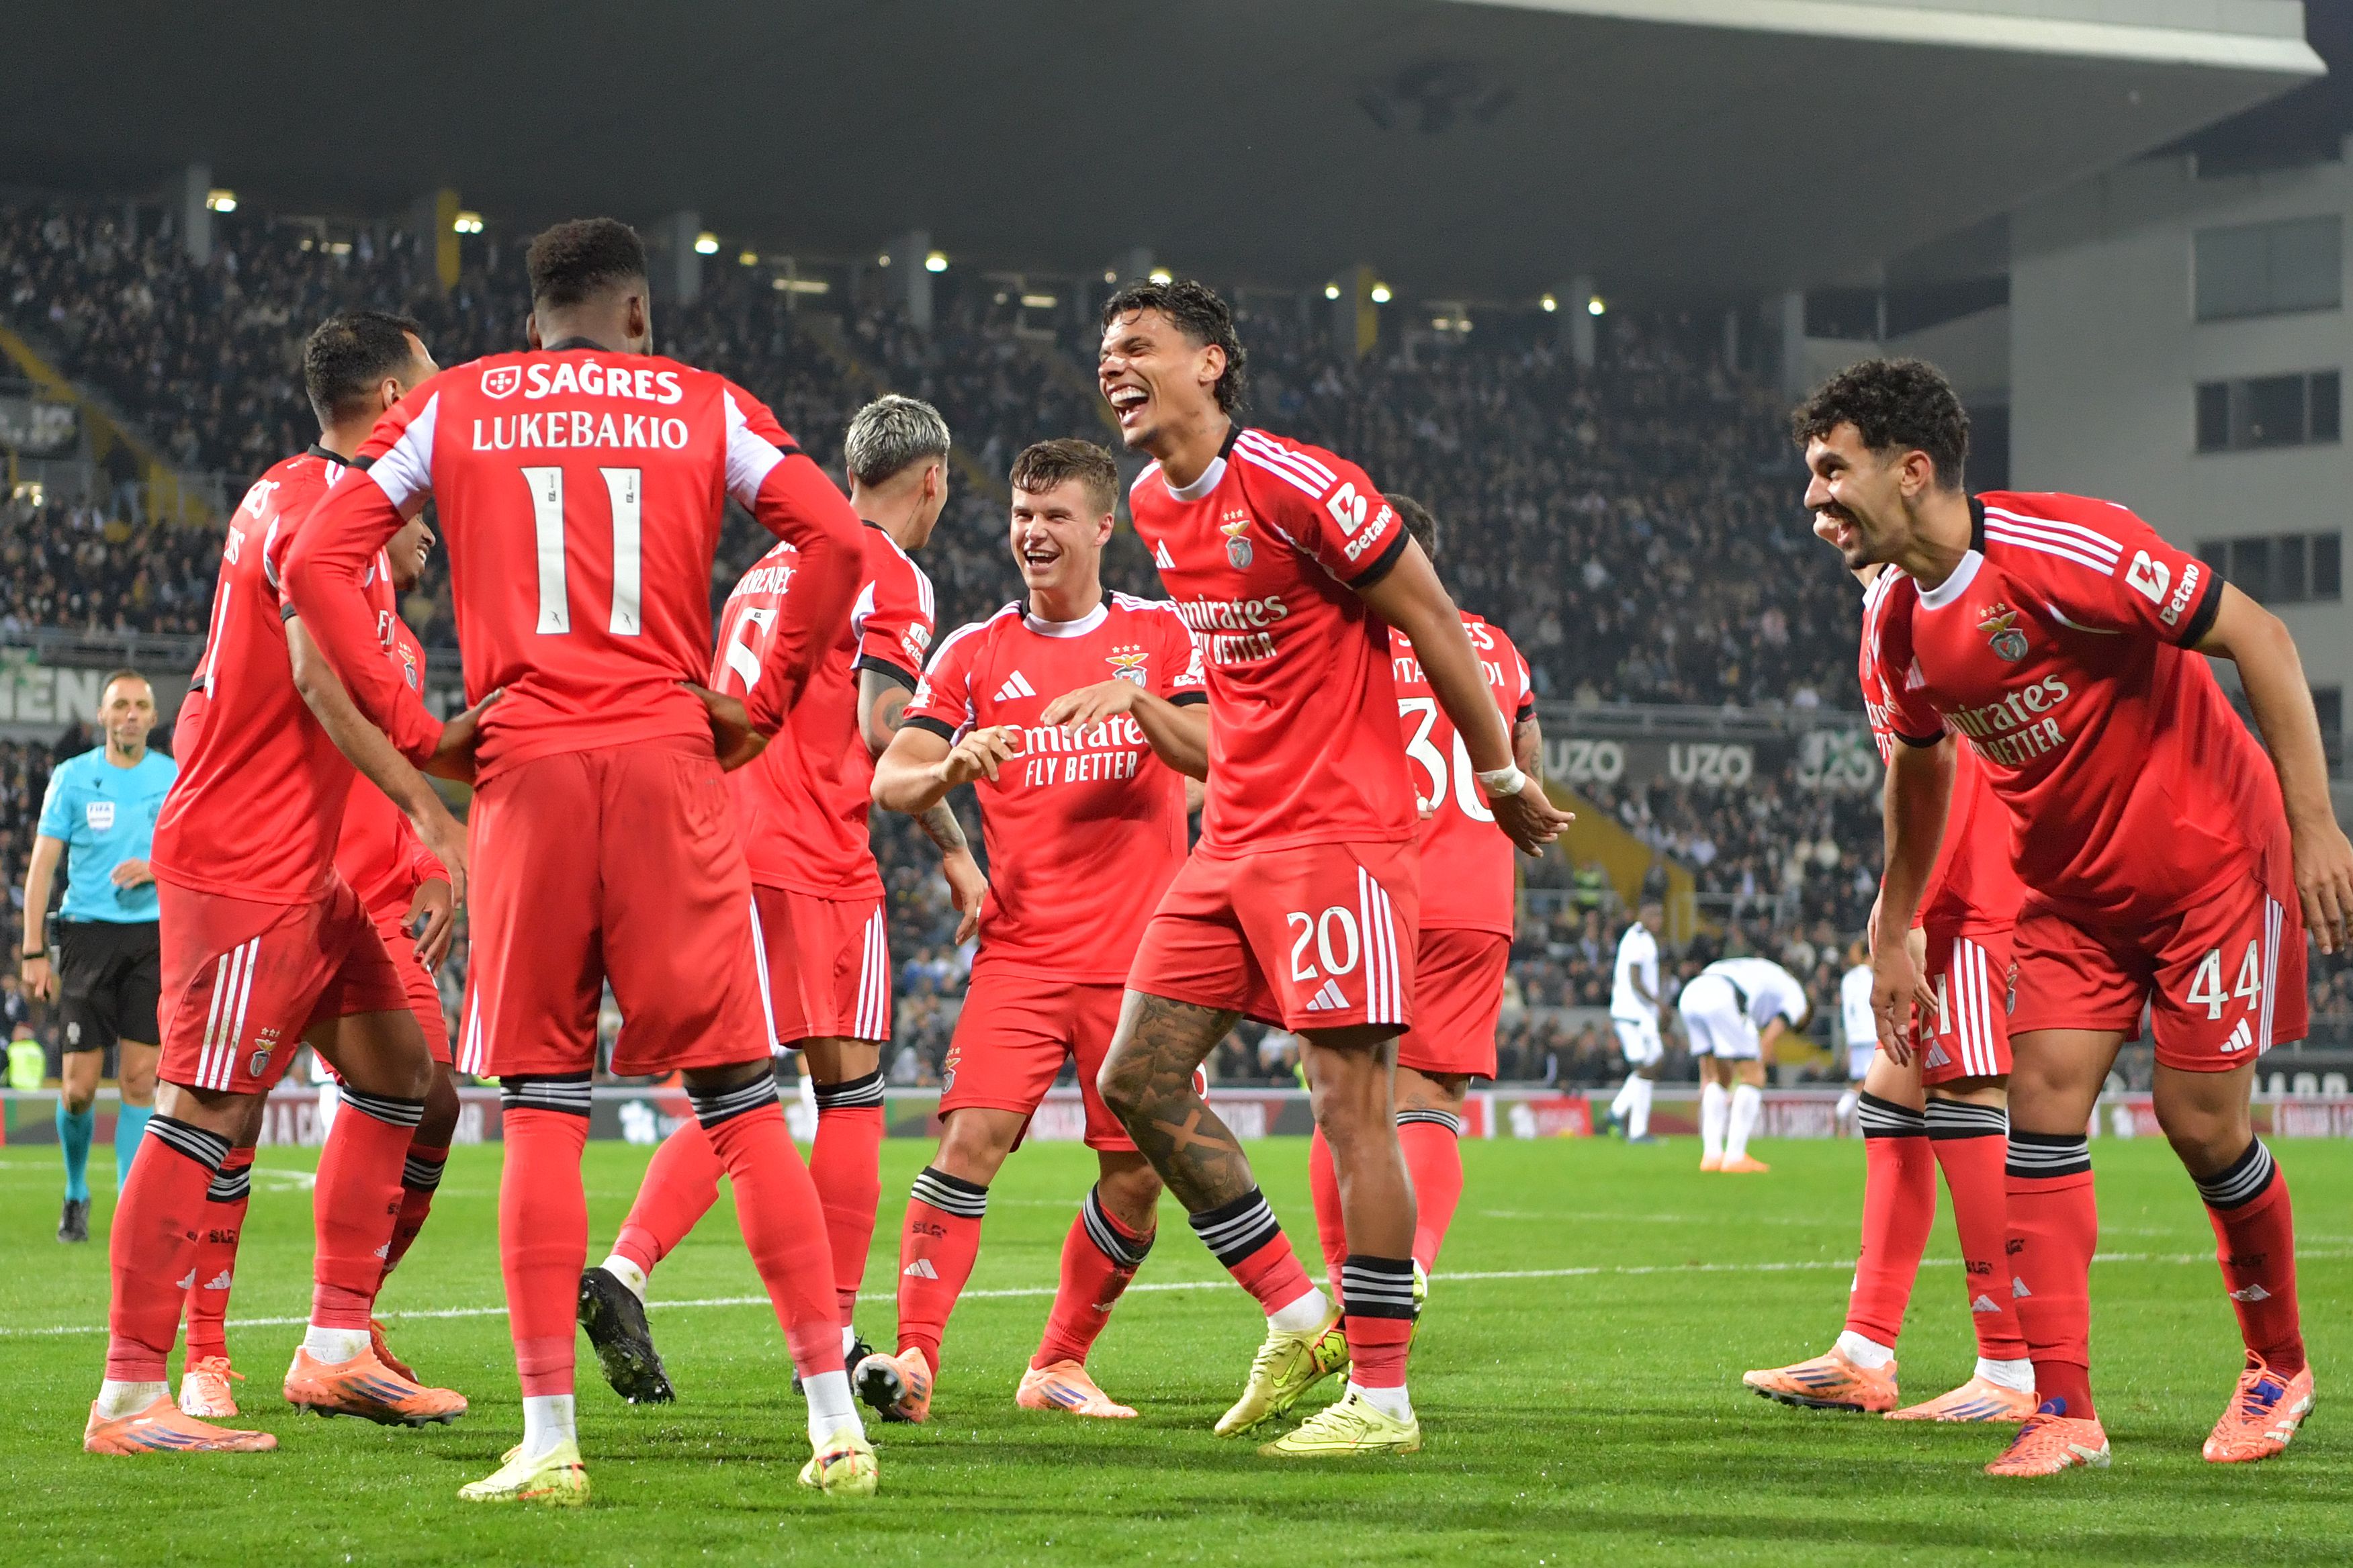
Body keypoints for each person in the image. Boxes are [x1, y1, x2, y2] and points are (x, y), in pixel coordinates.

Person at [290, 220, 879, 1503]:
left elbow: (314, 556)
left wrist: (416, 732)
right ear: (633, 315)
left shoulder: (455, 404)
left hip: (528, 774)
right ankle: (834, 1423)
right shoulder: (699, 401)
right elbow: (838, 542)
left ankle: (551, 1443)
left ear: (538, 308)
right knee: (738, 1102)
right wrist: (763, 705)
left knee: (544, 1112)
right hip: (673, 760)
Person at [1800, 356, 2351, 1474]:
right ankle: (2062, 1410)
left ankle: (2275, 1366)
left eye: (1829, 471)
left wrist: (2314, 827)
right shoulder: (1892, 627)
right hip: (2070, 900)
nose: (1812, 499)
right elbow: (1916, 777)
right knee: (2040, 1121)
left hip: (2206, 872)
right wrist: (1890, 927)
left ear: (1911, 472)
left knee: (2198, 1127)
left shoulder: (2063, 548)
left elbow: (2261, 637)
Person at [1096, 277, 1572, 1459]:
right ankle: (1295, 1308)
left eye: (1136, 346)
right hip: (1235, 838)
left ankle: (1382, 1397)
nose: (1111, 366)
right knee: (1135, 1082)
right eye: (1102, 351)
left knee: (1354, 1108)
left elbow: (1437, 623)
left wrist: (1502, 780)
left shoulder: (1305, 486)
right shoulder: (1155, 505)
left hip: (1336, 839)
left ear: (1209, 364)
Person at [82, 312, 478, 1457]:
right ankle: (131, 1396)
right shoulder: (319, 515)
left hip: (308, 862)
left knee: (401, 1073)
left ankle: (337, 1347)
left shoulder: (303, 491)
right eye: (433, 386)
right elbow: (316, 678)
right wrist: (430, 804)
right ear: (395, 398)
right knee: (206, 1107)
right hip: (247, 855)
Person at [577, 394, 979, 1405]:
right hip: (815, 852)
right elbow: (889, 727)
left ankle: (623, 1267)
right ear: (930, 479)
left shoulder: (764, 570)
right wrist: (956, 820)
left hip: (714, 846)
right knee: (849, 1091)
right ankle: (837, 1334)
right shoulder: (888, 568)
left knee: (737, 1094)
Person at [856, 437, 1209, 1422]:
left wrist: (1140, 704)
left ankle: (1058, 1361)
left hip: (1144, 959)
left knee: (1137, 1174)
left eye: (1054, 515)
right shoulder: (972, 651)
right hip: (1022, 951)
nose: (1032, 533)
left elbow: (1220, 751)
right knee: (968, 1140)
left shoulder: (1162, 634)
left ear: (1104, 526)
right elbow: (891, 779)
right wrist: (951, 770)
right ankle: (914, 1358)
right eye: (1020, 513)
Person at [1741, 536, 2032, 1422]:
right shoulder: (1899, 595)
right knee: (1890, 1097)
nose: (1816, 502)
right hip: (1948, 883)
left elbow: (1944, 762)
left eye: (1832, 469)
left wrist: (1907, 905)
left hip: (1975, 889)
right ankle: (1864, 1350)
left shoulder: (1921, 592)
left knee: (1961, 1093)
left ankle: (2009, 1369)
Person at [1302, 494, 1539, 1315]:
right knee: (1431, 1102)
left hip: (1361, 885)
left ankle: (1350, 1289)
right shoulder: (1497, 647)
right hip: (1475, 895)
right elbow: (1524, 759)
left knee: (1341, 1096)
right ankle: (1412, 1265)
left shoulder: (1339, 633)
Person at [21, 671, 175, 1237]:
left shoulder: (172, 776)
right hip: (86, 936)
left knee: (140, 1080)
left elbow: (200, 852)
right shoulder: (72, 778)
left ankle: (129, 1214)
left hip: (153, 935)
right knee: (79, 1090)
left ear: (153, 718)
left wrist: (157, 868)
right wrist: (34, 948)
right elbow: (40, 869)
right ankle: (75, 1188)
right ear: (103, 716)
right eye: (121, 705)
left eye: (141, 705)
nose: (131, 714)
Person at [1679, 954, 1806, 1173]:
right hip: (1724, 996)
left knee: (1720, 1079)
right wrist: (1755, 1076)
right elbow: (1767, 1041)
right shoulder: (1798, 998)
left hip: (1691, 993)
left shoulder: (1763, 969)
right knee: (1754, 1077)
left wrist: (1706, 1079)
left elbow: (1709, 1059)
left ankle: (1712, 1156)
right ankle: (1735, 1157)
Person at [1606, 899, 1667, 1142]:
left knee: (1653, 1063)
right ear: (1645, 915)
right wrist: (1659, 1003)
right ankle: (1637, 1130)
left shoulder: (1647, 939)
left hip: (1643, 1015)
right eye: (1656, 915)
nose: (1660, 921)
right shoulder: (1635, 939)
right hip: (1631, 1014)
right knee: (1645, 1066)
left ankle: (1618, 1111)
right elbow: (1635, 980)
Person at [1834, 939, 1873, 1129]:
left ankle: (1844, 1113)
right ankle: (1843, 1111)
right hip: (1873, 1035)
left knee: (1862, 1082)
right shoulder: (1873, 977)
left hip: (1856, 1037)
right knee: (1871, 1082)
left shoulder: (1848, 979)